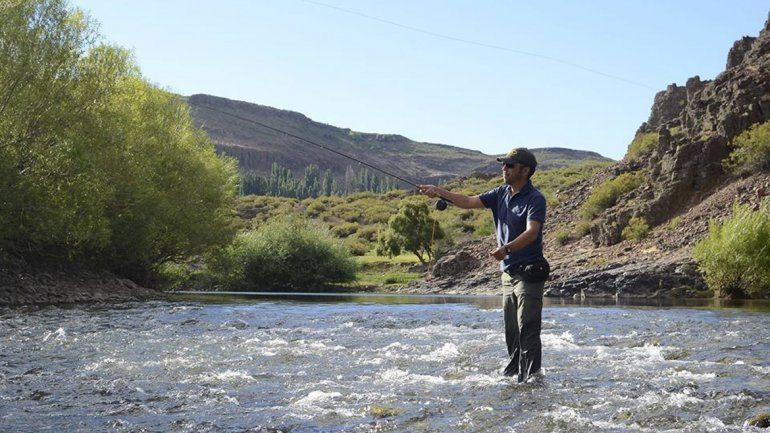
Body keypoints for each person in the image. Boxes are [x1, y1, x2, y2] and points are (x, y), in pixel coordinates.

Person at [418, 147, 548, 383]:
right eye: (504, 164)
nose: (504, 168)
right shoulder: (500, 193)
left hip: (529, 273)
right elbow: (468, 201)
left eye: (510, 165)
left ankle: (531, 379)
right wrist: (438, 192)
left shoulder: (535, 198)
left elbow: (532, 232)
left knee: (527, 326)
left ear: (525, 170)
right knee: (512, 331)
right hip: (507, 274)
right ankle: (513, 375)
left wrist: (507, 248)